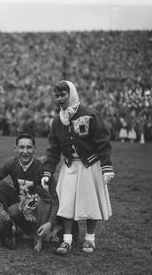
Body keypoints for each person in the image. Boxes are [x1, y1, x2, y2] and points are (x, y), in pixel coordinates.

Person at [41, 80, 114, 255]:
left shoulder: (90, 115)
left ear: (71, 94)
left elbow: (102, 142)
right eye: (57, 95)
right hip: (69, 165)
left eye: (63, 95)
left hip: (90, 165)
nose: (59, 99)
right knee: (66, 203)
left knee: (91, 203)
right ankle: (67, 240)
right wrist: (48, 171)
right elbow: (53, 149)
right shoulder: (58, 121)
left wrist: (106, 167)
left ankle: (90, 239)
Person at [0, 133, 59, 251]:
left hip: (38, 206)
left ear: (34, 148)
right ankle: (9, 227)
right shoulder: (11, 163)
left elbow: (54, 199)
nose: (25, 151)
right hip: (22, 202)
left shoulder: (42, 168)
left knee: (41, 200)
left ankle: (37, 234)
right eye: (21, 147)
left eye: (29, 147)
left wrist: (50, 222)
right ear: (16, 148)